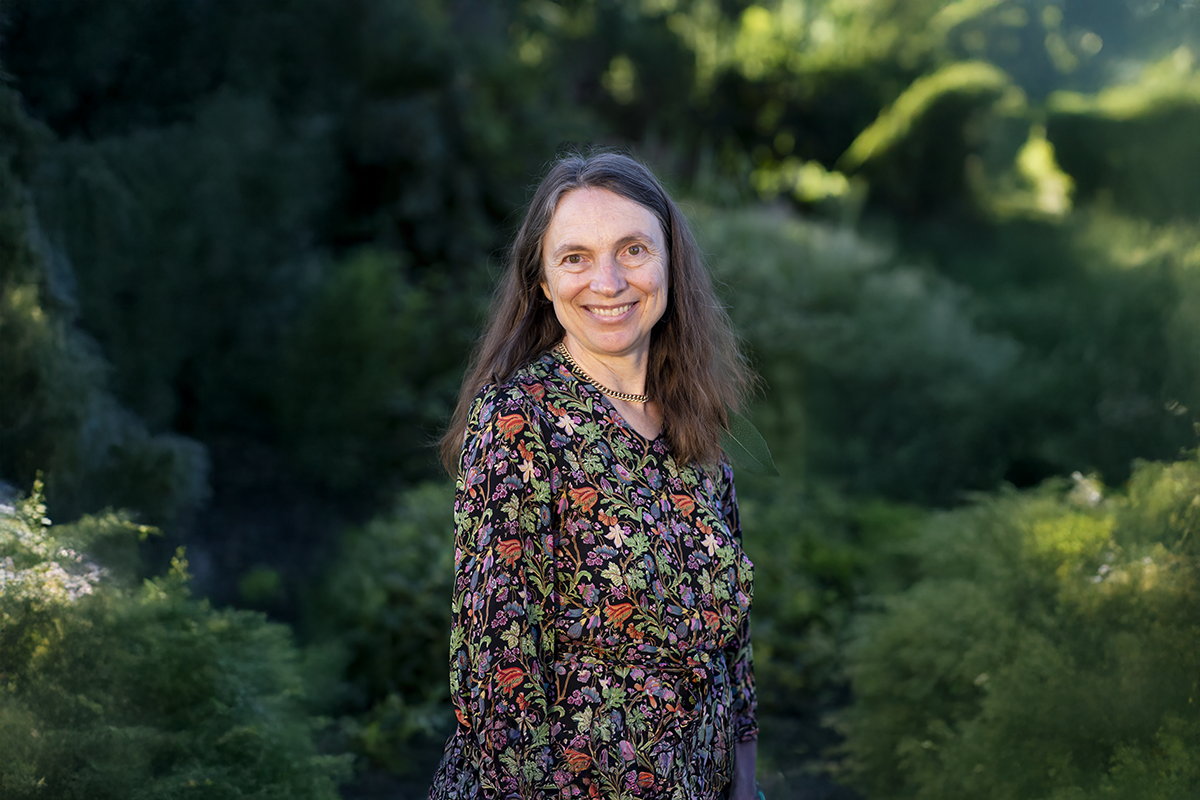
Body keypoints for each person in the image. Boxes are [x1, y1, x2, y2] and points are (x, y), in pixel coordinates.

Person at [429, 150, 759, 800]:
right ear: (543, 283)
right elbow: (497, 673)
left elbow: (731, 639)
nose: (607, 282)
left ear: (670, 261)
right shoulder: (520, 421)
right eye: (576, 257)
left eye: (633, 249)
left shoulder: (691, 418)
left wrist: (745, 779)